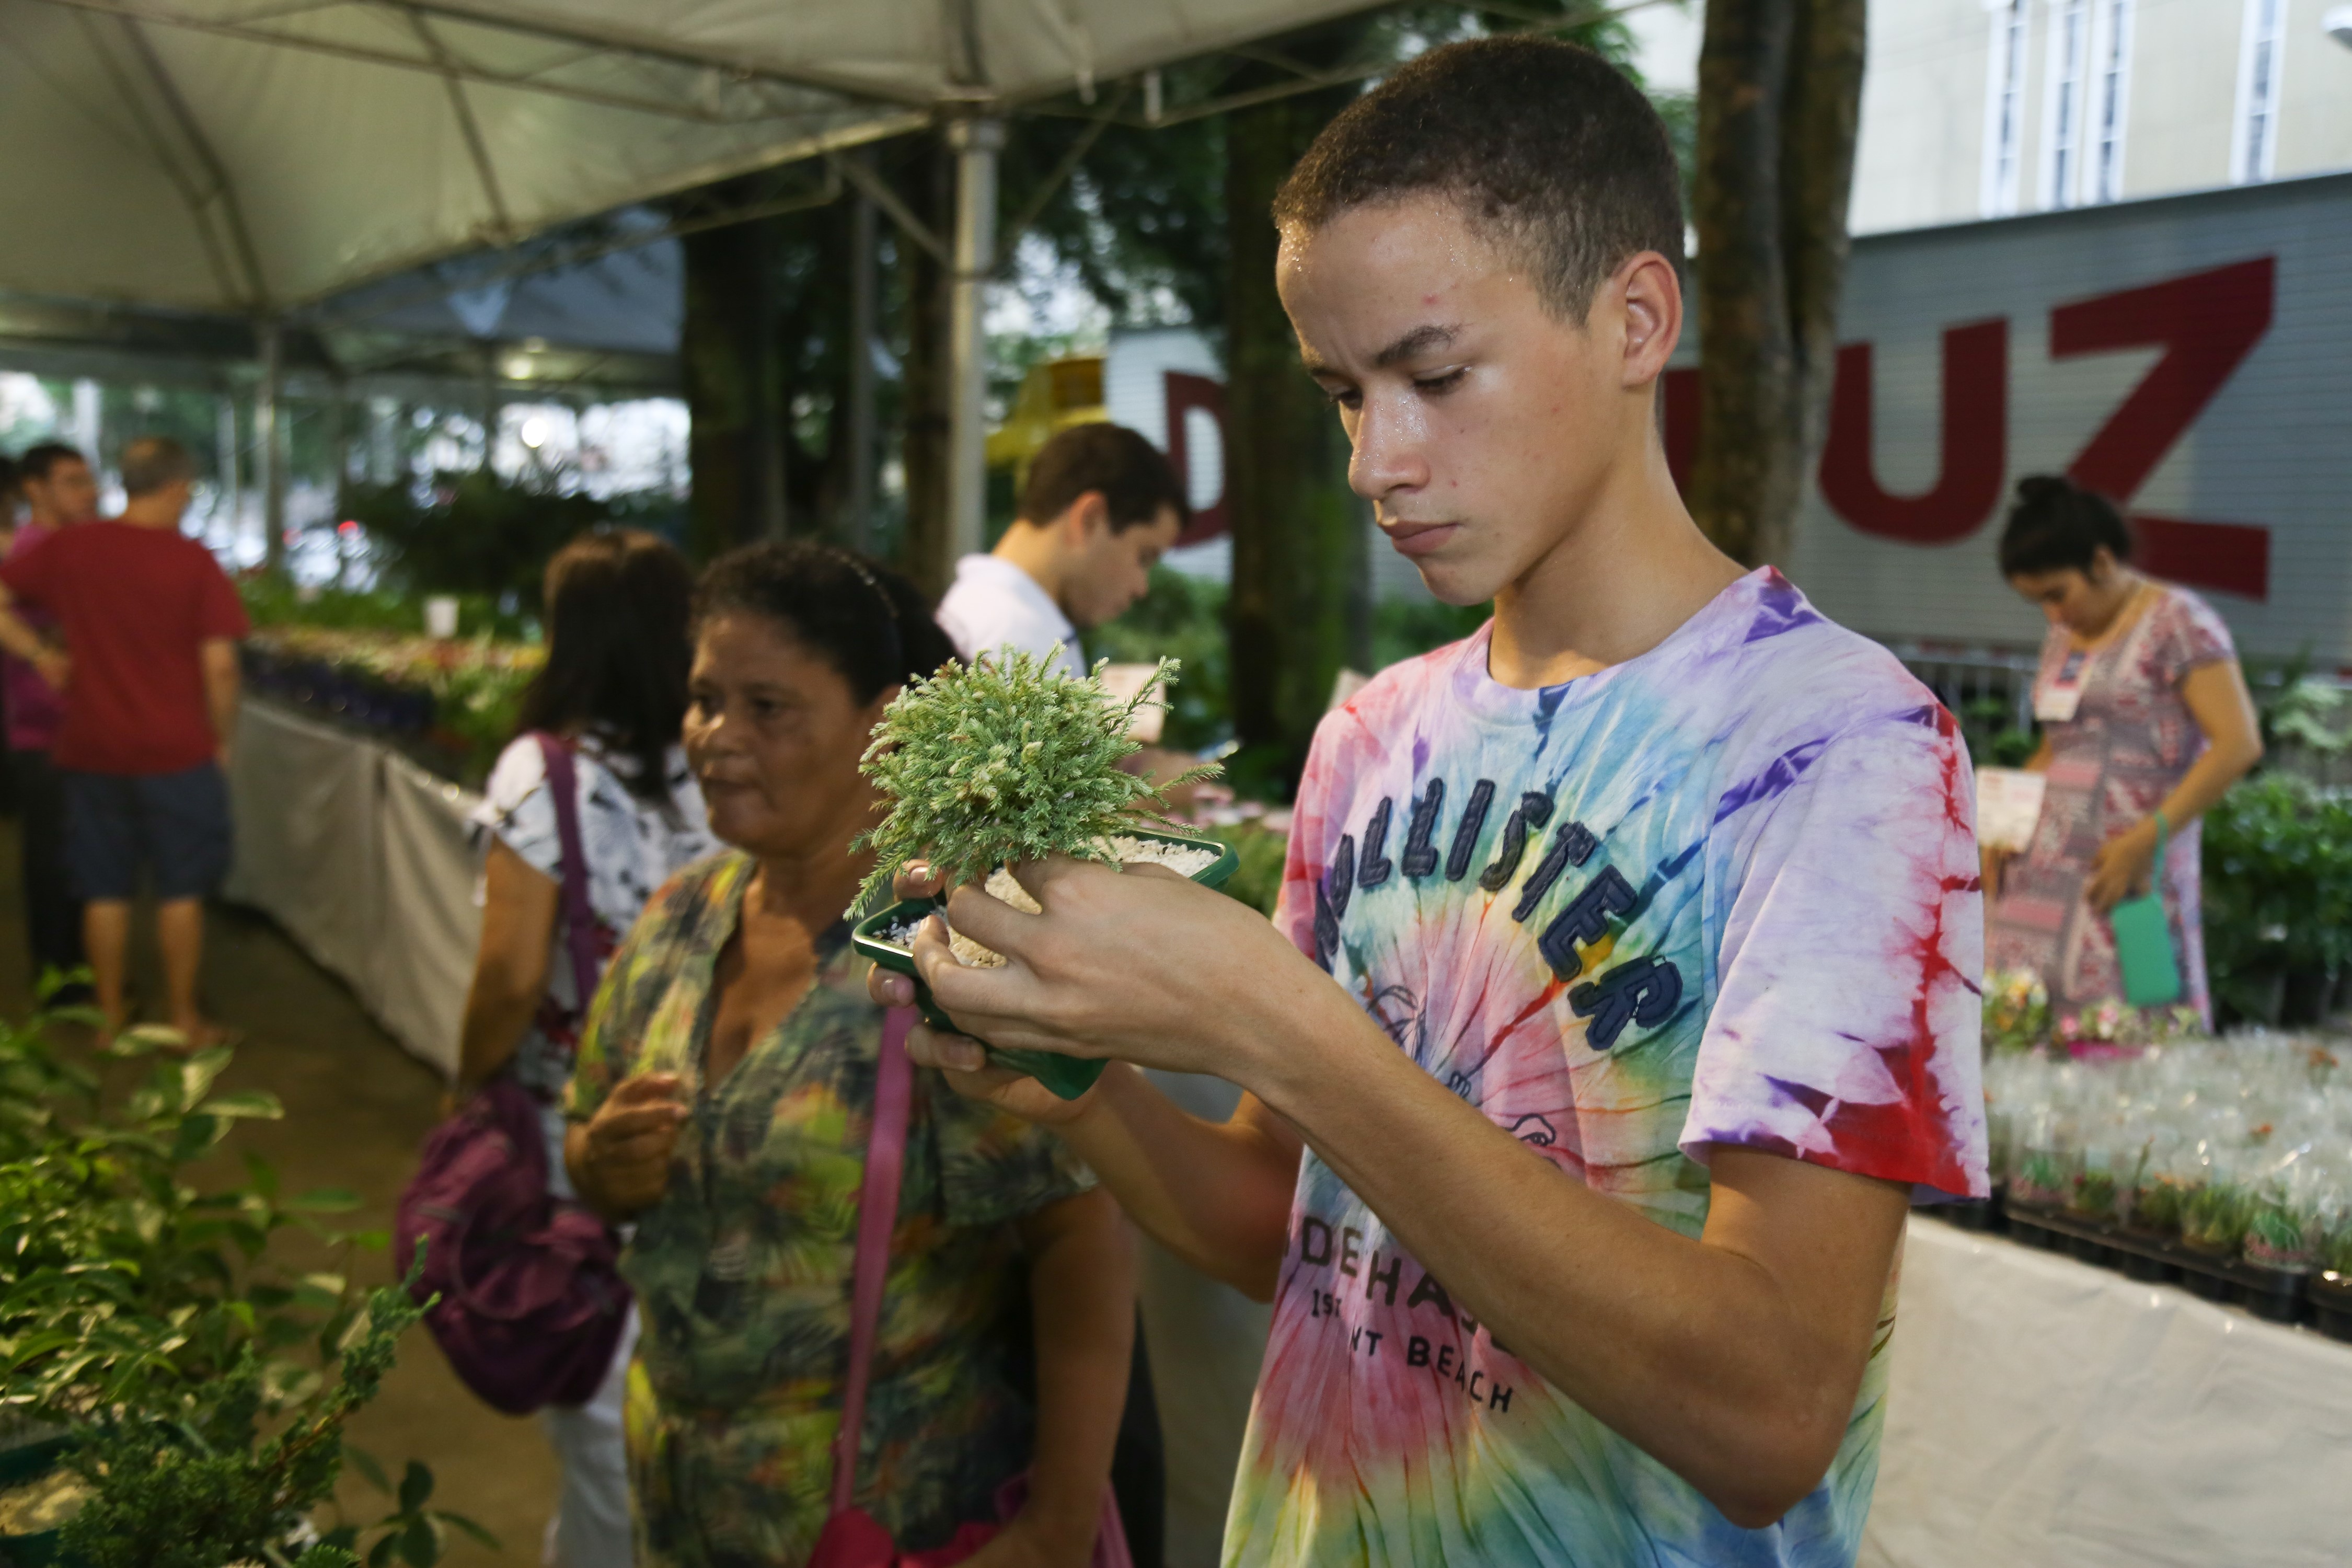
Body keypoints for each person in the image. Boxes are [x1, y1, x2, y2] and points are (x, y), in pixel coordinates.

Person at [870, 38, 1987, 1567]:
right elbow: (1300, 1227)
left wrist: (1283, 1024)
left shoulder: (1846, 751)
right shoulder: (1375, 736)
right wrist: (1089, 1090)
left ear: (1636, 320)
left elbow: (1768, 1411)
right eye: (1341, 392)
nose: (1375, 461)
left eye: (1436, 375)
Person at [564, 541, 1137, 1568]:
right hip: (681, 1510)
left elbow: (1079, 1234)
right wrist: (598, 1167)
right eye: (704, 700)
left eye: (768, 707)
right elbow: (590, 1139)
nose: (716, 739)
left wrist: (1054, 1528)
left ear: (880, 722)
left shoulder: (946, 959)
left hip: (891, 1518)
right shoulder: (674, 925)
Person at [457, 527, 719, 1568]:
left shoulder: (544, 766)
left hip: (586, 1123)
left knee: (603, 1396)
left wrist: (463, 1080)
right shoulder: (722, 758)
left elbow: (513, 972)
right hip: (715, 1102)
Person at [1985, 475, 2262, 1018]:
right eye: (2037, 601)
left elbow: (2238, 744)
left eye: (2057, 593)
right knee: (2020, 1019)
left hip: (2128, 867)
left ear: (2103, 561)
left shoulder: (2179, 622)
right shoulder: (2064, 635)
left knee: (2136, 1016)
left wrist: (2148, 839)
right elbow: (2055, 748)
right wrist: (2001, 827)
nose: (2053, 614)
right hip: (2039, 879)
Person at [0, 436, 246, 1044]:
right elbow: (220, 666)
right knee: (180, 890)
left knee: (102, 887)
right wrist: (222, 737)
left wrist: (39, 655)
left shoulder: (74, 549)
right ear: (178, 488)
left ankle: (109, 1017)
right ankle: (184, 1017)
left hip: (90, 747)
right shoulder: (192, 563)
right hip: (176, 750)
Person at [936, 422, 1185, 679]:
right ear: (1090, 519)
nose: (1141, 588)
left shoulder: (992, 615)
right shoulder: (1017, 640)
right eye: (1144, 557)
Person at [3, 442, 101, 991]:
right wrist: (40, 654)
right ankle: (59, 980)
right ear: (35, 488)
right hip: (43, 729)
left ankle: (76, 970)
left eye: (89, 480)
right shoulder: (29, 548)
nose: (89, 492)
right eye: (72, 481)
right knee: (53, 858)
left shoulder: (74, 545)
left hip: (83, 726)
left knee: (78, 854)